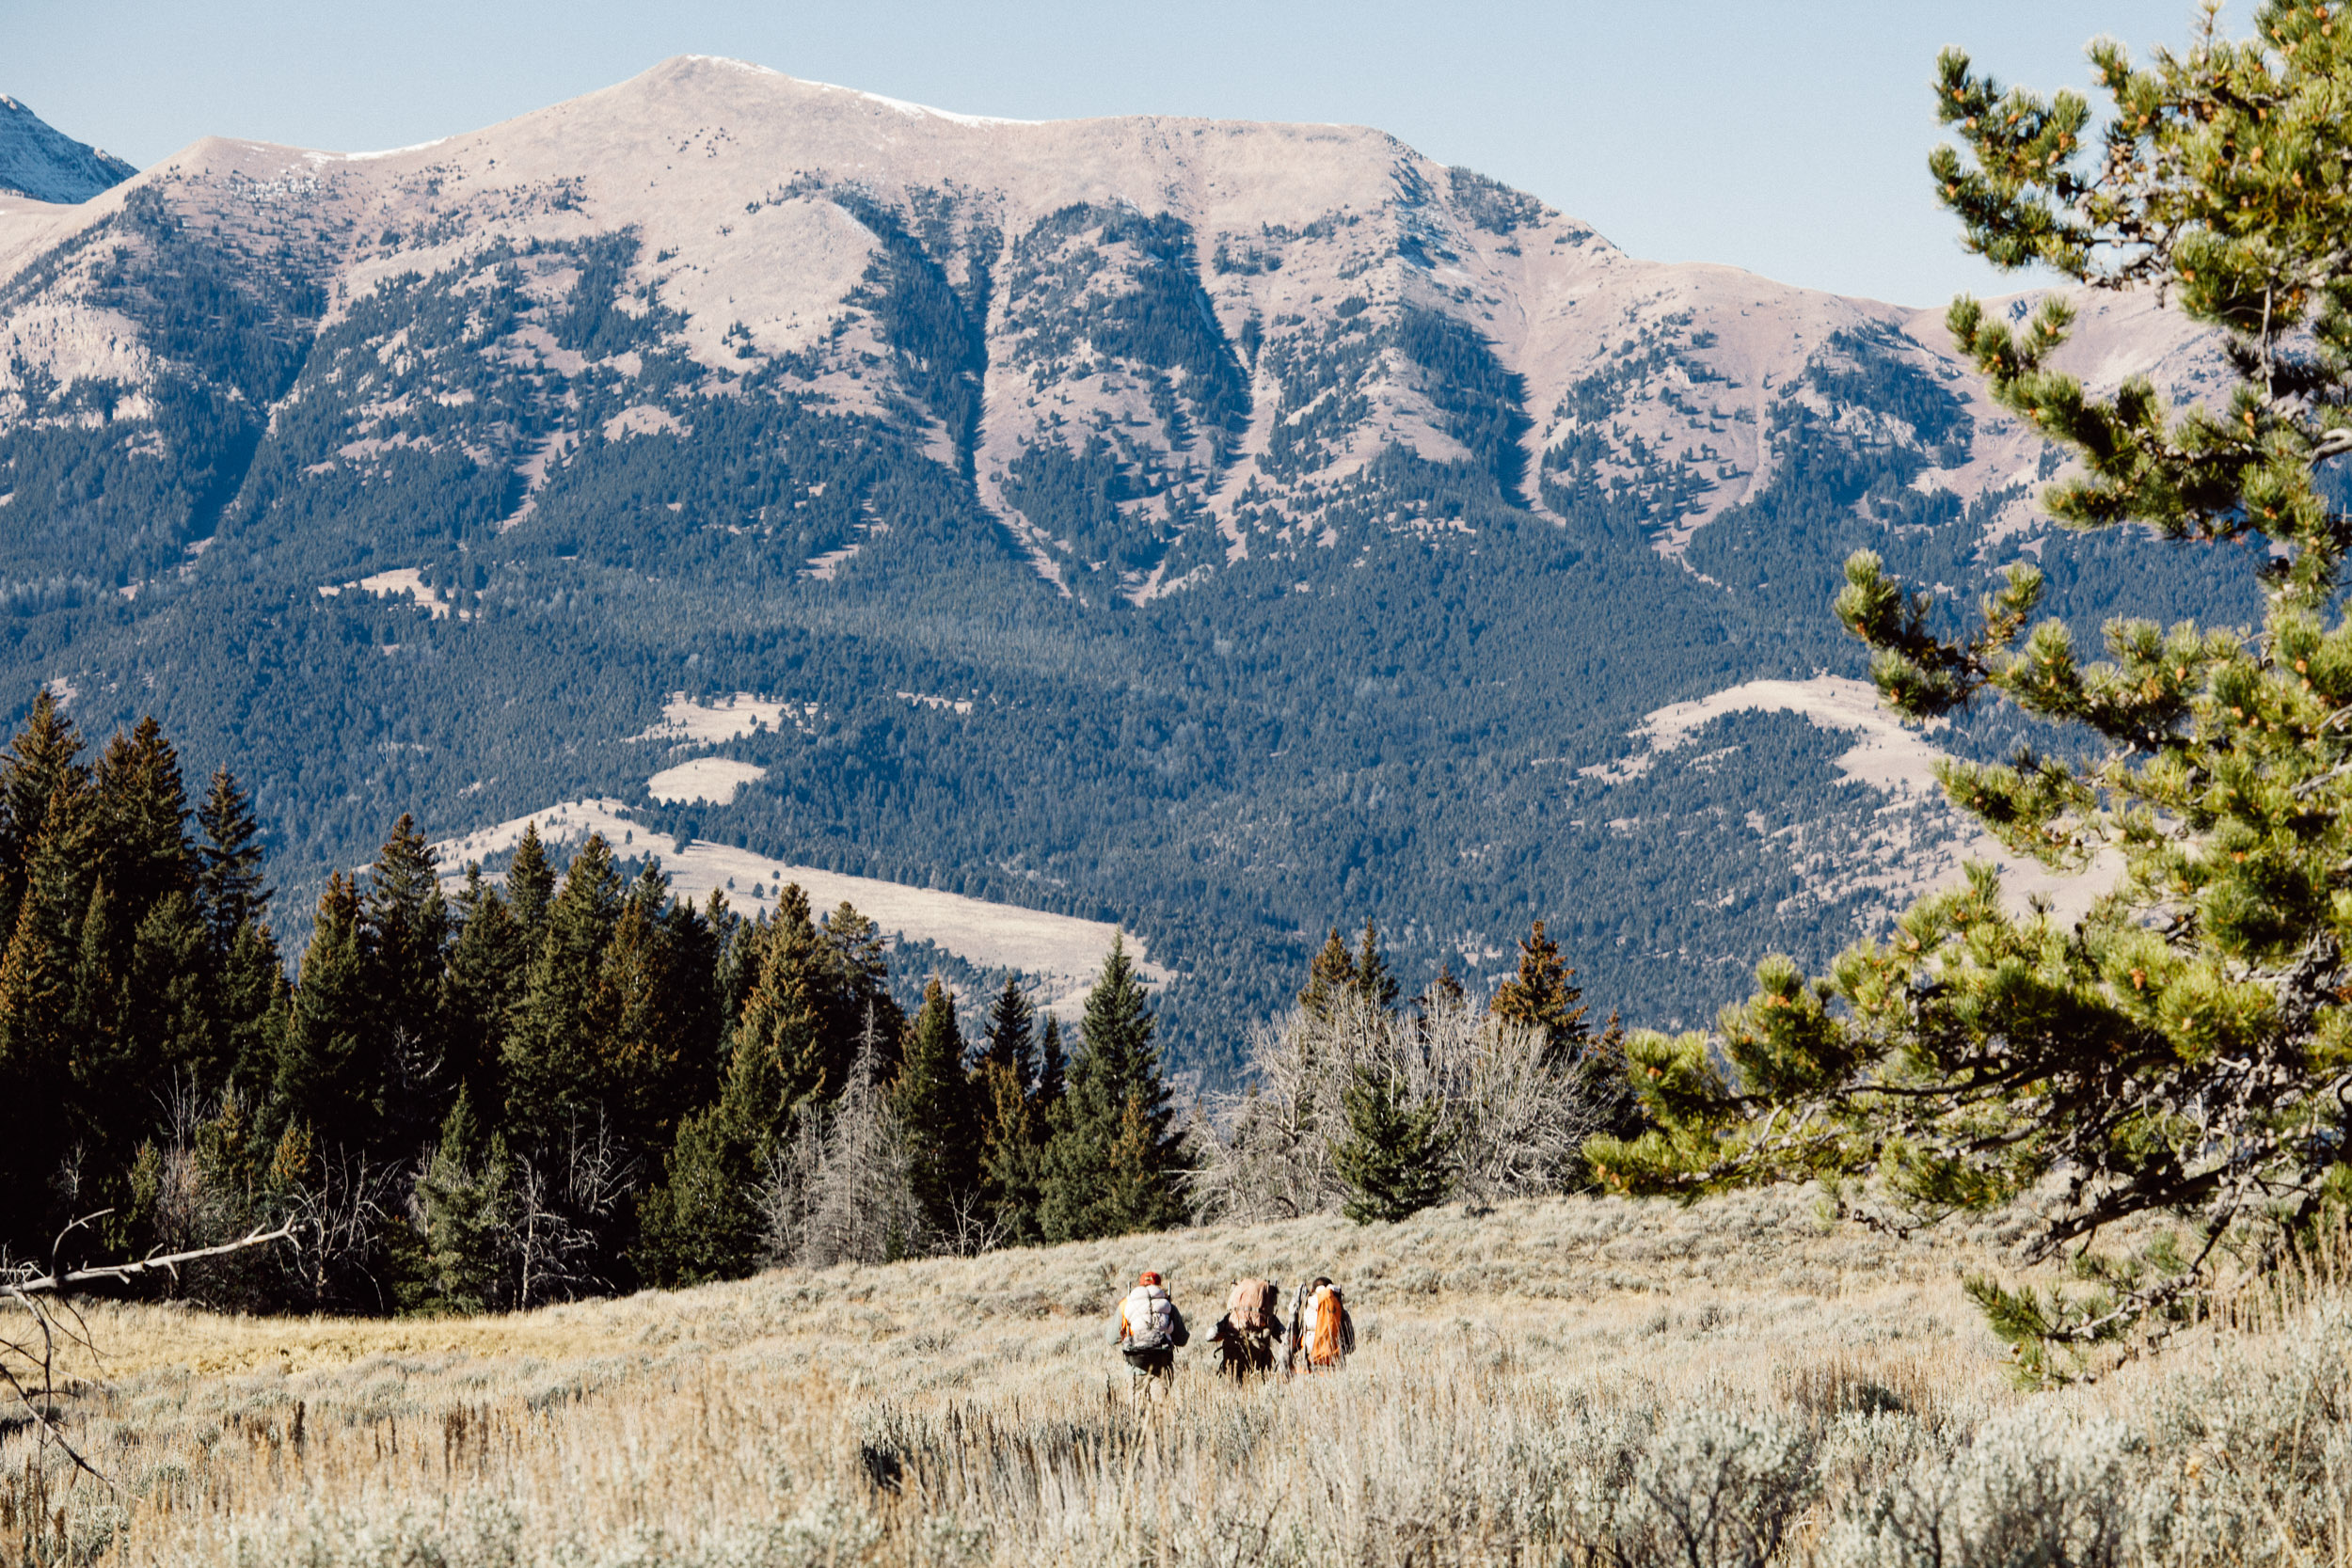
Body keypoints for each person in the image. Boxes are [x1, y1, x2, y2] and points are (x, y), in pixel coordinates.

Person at [1112, 1270, 1188, 1394]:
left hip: (1135, 1367)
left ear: (1139, 1286)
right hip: (1162, 1366)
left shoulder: (1126, 1304)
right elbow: (1182, 1340)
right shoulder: (1168, 1305)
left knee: (1136, 1411)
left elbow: (1111, 1338)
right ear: (1160, 1286)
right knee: (1160, 1411)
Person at [1206, 1276, 1284, 1379]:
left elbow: (1209, 1336)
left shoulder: (1231, 1317)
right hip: (1259, 1376)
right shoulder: (1268, 1318)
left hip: (1233, 1374)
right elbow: (1285, 1337)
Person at [1290, 1276, 1355, 1373]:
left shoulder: (1307, 1305)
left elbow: (1294, 1335)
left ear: (1313, 1290)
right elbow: (1350, 1346)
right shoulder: (1338, 1307)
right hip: (1334, 1365)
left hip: (1308, 1363)